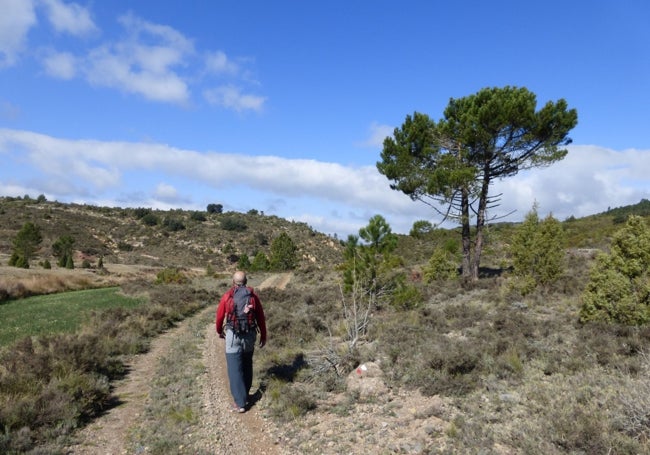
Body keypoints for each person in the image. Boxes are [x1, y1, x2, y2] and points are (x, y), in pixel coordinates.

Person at [216, 270, 267, 413]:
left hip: (233, 336)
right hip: (250, 335)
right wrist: (263, 335)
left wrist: (220, 331)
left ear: (233, 282)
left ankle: (240, 403)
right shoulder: (253, 297)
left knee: (234, 369)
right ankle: (245, 396)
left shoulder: (227, 296)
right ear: (246, 282)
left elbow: (220, 317)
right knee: (246, 364)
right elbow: (261, 318)